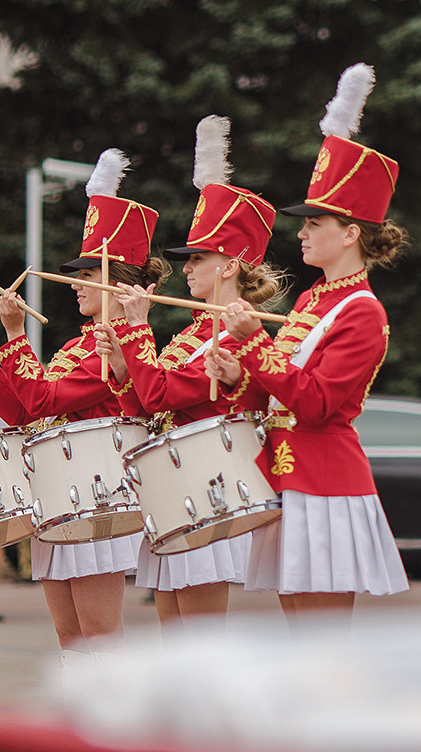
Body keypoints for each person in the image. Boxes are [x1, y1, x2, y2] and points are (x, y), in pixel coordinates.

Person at [206, 66, 409, 620]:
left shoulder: (362, 310)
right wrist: (234, 376)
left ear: (349, 234)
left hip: (324, 475)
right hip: (287, 467)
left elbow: (317, 402)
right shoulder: (312, 300)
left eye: (314, 223)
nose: (300, 232)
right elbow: (274, 387)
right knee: (299, 629)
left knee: (320, 636)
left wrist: (252, 347)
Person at [0, 152, 156, 647]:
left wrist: (14, 333)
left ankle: (108, 724)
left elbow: (43, 398)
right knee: (70, 635)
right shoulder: (77, 343)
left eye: (88, 275)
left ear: (120, 282)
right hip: (59, 491)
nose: (74, 283)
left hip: (94, 493)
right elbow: (25, 412)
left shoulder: (113, 346)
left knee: (99, 634)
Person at [96, 117, 283, 628]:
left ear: (228, 265)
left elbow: (158, 396)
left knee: (198, 643)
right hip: (172, 481)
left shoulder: (231, 332)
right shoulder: (195, 331)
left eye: (198, 257)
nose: (186, 268)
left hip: (207, 483)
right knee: (174, 638)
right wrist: (120, 364)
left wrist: (136, 331)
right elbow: (139, 408)